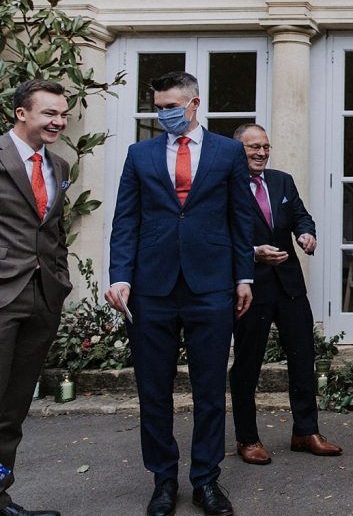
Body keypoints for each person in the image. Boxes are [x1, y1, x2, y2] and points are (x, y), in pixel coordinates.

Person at [105, 71, 256, 516]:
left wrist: (243, 276)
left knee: (210, 389)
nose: (163, 114)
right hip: (151, 288)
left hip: (211, 286)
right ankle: (163, 480)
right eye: (158, 107)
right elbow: (125, 220)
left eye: (171, 106)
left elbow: (240, 219)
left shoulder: (229, 153)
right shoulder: (140, 154)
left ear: (193, 104)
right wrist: (120, 275)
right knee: (154, 390)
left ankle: (206, 481)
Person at [228, 124, 341, 465]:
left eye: (265, 146)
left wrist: (307, 235)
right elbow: (218, 236)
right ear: (238, 151)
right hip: (249, 288)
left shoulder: (282, 181)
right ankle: (247, 439)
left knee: (303, 358)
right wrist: (251, 252)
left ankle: (306, 432)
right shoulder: (225, 186)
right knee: (248, 365)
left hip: (289, 286)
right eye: (253, 148)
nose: (262, 153)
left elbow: (301, 218)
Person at [0, 80, 72, 516]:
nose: (58, 121)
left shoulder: (60, 166)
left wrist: (59, 279)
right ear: (21, 113)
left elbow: (54, 231)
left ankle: (0, 496)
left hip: (43, 298)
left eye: (62, 114)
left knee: (12, 410)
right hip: (2, 295)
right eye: (49, 113)